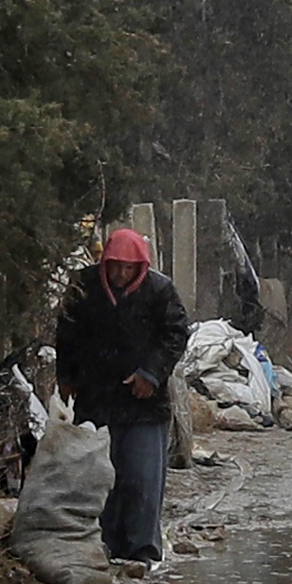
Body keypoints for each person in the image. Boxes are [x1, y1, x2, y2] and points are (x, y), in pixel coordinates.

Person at [53, 225, 191, 565]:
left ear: (140, 267)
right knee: (100, 476)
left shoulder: (160, 291)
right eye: (115, 266)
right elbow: (67, 331)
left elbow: (175, 335)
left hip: (143, 401)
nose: (121, 273)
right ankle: (105, 545)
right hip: (96, 395)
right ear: (105, 263)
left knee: (142, 478)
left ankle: (142, 549)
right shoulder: (84, 288)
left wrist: (151, 375)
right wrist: (67, 376)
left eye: (128, 267)